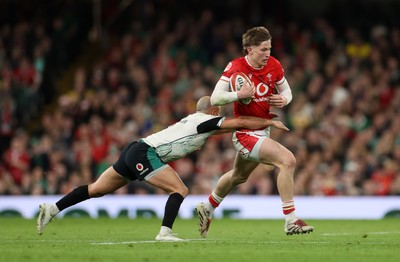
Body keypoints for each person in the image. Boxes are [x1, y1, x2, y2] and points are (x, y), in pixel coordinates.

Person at [37, 96, 289, 241]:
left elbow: (230, 127)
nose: (221, 115)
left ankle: (53, 208)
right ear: (212, 111)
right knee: (180, 189)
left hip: (134, 149)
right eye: (219, 111)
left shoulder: (194, 120)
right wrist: (268, 121)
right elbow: (240, 122)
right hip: (144, 153)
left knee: (96, 190)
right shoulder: (204, 120)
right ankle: (164, 232)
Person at [196, 26, 314, 237]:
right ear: (249, 49)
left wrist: (285, 99)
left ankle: (208, 207)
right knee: (287, 160)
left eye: (269, 48)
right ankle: (290, 219)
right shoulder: (235, 67)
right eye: (263, 49)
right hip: (244, 132)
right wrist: (237, 94)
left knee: (238, 176)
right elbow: (214, 98)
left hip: (262, 131)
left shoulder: (274, 65)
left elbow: (287, 90)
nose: (267, 53)